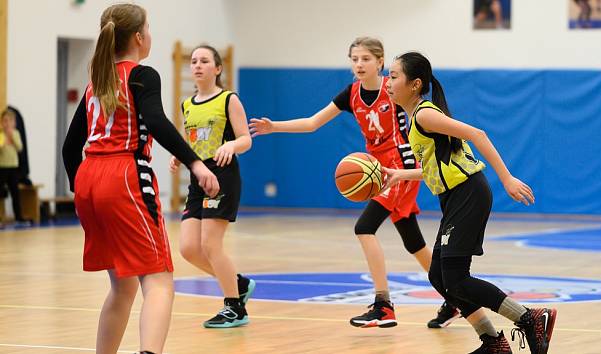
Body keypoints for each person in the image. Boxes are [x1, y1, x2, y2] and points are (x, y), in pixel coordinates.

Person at [249, 37, 457, 329]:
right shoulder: (351, 94)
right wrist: (274, 127)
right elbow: (312, 123)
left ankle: (383, 305)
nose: (359, 64)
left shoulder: (393, 89)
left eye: (365, 59)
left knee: (364, 227)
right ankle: (453, 298)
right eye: (354, 59)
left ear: (381, 62)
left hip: (399, 168)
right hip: (378, 168)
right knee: (413, 241)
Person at [62, 4, 219, 354]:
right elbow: (158, 121)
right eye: (149, 28)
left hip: (90, 178)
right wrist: (196, 163)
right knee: (160, 281)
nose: (151, 34)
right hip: (124, 175)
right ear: (138, 36)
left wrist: (83, 190)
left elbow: (70, 147)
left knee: (123, 287)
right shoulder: (142, 75)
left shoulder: (96, 84)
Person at [384, 51, 557, 354]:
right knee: (439, 276)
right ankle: (492, 341)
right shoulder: (415, 117)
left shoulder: (425, 114)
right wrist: (400, 174)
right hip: (455, 197)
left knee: (456, 279)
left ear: (415, 84)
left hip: (468, 193)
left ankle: (530, 317)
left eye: (394, 75)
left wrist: (506, 178)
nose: (387, 81)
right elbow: (436, 167)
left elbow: (477, 134)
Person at [169, 45, 255, 328]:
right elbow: (189, 139)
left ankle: (234, 308)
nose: (197, 65)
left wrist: (232, 144)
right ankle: (238, 283)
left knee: (210, 243)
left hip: (222, 176)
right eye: (193, 61)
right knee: (189, 249)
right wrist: (178, 155)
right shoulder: (187, 104)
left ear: (217, 68)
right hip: (198, 178)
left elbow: (246, 139)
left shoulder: (228, 99)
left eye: (204, 61)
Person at [0, 108, 26, 225]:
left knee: (15, 193)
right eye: (5, 121)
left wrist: (12, 137)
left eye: (10, 121)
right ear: (1, 123)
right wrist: (4, 140)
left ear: (14, 123)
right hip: (2, 167)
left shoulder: (16, 133)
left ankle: (19, 217)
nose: (7, 124)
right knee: (1, 193)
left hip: (13, 167)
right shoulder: (0, 135)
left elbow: (20, 147)